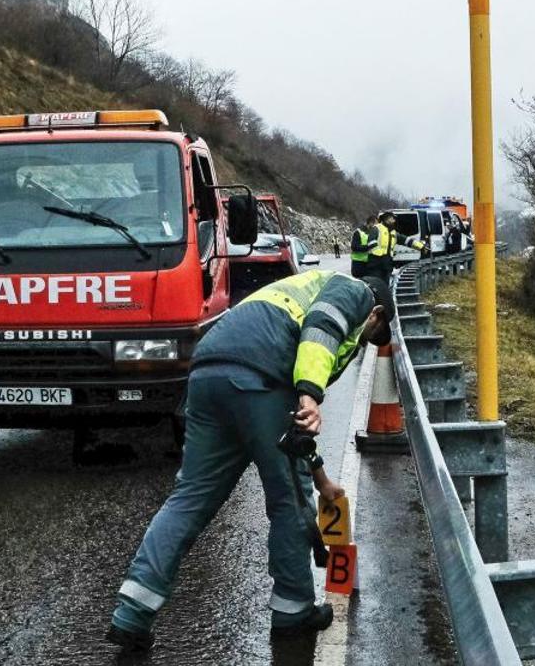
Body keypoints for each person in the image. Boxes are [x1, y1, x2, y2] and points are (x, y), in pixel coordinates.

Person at [106, 271, 396, 652]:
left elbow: (294, 436)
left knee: (190, 497)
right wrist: (309, 394)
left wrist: (322, 478)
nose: (363, 341)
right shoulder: (354, 290)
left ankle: (133, 612)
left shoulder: (294, 289)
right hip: (259, 377)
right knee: (289, 500)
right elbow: (322, 327)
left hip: (207, 376)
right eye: (371, 335)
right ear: (375, 313)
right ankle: (294, 612)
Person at [364, 211, 423, 282]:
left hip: (387, 265)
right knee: (375, 285)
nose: (394, 221)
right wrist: (381, 255)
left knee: (385, 287)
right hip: (376, 265)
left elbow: (407, 240)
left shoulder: (393, 232)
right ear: (386, 219)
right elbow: (371, 244)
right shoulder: (376, 229)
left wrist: (421, 247)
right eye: (392, 219)